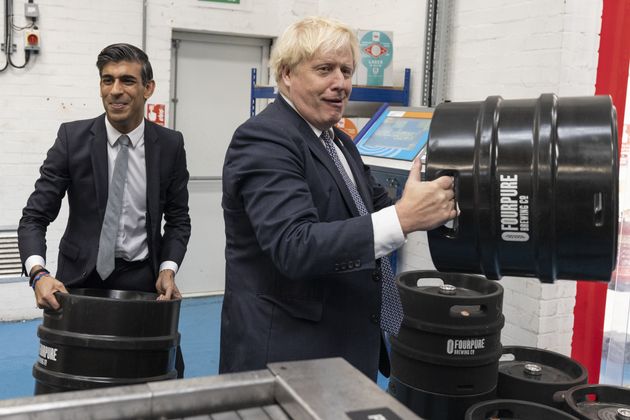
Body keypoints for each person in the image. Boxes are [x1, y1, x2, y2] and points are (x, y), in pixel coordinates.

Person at [219, 17, 456, 380]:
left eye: (346, 71)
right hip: (289, 354)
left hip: (343, 343)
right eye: (324, 69)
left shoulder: (339, 142)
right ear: (285, 74)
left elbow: (376, 207)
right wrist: (404, 218)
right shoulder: (264, 139)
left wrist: (432, 197)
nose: (340, 84)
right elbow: (294, 246)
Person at [18, 43, 191, 376]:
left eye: (127, 80)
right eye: (106, 80)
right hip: (76, 283)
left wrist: (168, 268)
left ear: (148, 88)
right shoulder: (73, 139)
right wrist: (38, 274)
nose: (115, 91)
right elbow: (34, 217)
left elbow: (179, 220)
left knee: (162, 375)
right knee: (71, 380)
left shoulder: (170, 145)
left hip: (144, 280)